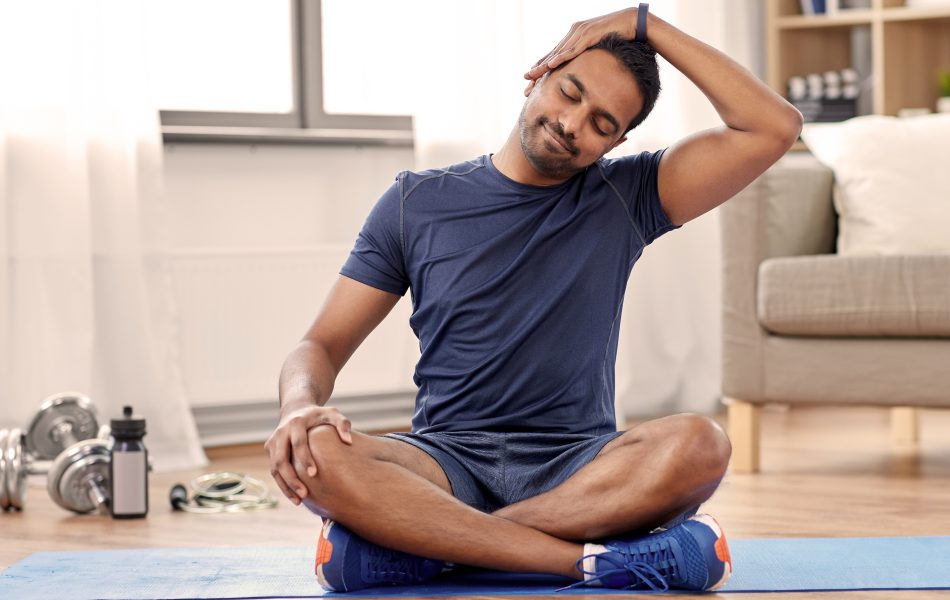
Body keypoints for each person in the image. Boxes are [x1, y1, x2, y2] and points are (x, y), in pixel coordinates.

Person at [265, 4, 802, 593]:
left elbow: (773, 127)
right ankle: (584, 562)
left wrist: (647, 23)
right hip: (445, 462)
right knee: (317, 449)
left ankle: (438, 546)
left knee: (702, 445)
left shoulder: (630, 197)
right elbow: (321, 343)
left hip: (580, 467)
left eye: (602, 123)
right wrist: (297, 407)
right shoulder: (414, 202)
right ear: (539, 76)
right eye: (569, 93)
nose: (573, 123)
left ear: (617, 141)